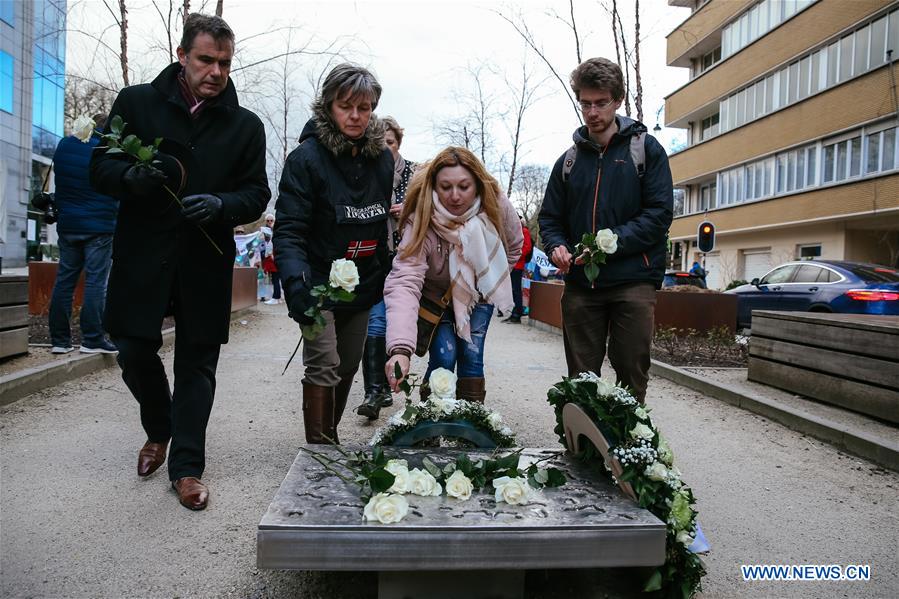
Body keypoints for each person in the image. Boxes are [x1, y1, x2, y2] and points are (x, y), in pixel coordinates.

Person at [90, 13, 270, 510]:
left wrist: (222, 206)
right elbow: (100, 167)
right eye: (206, 60)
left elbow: (256, 192)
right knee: (131, 348)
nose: (215, 71)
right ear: (182, 55)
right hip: (143, 255)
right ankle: (159, 427)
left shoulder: (245, 126)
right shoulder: (136, 103)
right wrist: (132, 179)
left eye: (225, 63)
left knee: (198, 363)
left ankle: (186, 466)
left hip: (203, 261)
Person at [538, 57, 673, 404]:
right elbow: (550, 218)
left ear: (618, 100)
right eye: (585, 103)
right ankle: (583, 450)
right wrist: (556, 246)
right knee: (581, 380)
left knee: (631, 373)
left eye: (601, 103)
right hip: (582, 286)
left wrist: (605, 246)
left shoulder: (646, 150)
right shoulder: (568, 161)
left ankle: (628, 448)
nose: (592, 111)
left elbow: (659, 216)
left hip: (634, 281)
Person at [274, 63, 393, 445]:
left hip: (363, 284)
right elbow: (289, 229)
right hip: (318, 285)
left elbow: (380, 223)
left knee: (348, 365)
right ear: (328, 106)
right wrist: (297, 285)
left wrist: (385, 271)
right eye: (346, 106)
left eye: (365, 107)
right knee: (324, 363)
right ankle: (321, 451)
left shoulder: (383, 160)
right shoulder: (305, 159)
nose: (356, 116)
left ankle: (331, 433)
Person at [384, 147, 523, 403]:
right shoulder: (422, 217)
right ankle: (433, 420)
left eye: (464, 186)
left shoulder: (496, 204)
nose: (455, 196)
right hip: (435, 298)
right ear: (434, 186)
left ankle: (471, 422)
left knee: (471, 355)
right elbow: (405, 279)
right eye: (446, 187)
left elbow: (514, 246)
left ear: (477, 184)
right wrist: (401, 349)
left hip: (478, 296)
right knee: (444, 355)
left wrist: (487, 278)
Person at [356, 116, 416, 420]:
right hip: (375, 258)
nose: (384, 149)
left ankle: (394, 382)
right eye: (379, 143)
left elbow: (434, 207)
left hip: (408, 259)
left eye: (389, 143)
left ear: (398, 144)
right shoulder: (366, 173)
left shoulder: (416, 174)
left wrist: (409, 210)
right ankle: (374, 392)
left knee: (399, 325)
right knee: (375, 322)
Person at [47, 113, 119, 355]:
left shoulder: (64, 145)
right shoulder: (107, 149)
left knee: (64, 281)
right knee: (96, 282)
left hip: (68, 225)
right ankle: (92, 339)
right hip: (99, 226)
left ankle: (59, 340)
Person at [504, 215, 532, 324]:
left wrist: (515, 256)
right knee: (512, 290)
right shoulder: (514, 231)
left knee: (516, 290)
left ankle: (517, 314)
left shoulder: (524, 231)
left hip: (518, 264)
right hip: (512, 264)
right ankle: (514, 313)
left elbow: (527, 247)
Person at [261, 217, 281, 304]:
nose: (269, 222)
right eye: (268, 220)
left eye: (271, 220)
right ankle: (277, 297)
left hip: (274, 257)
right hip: (270, 257)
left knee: (275, 278)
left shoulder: (277, 232)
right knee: (275, 278)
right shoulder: (265, 232)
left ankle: (276, 297)